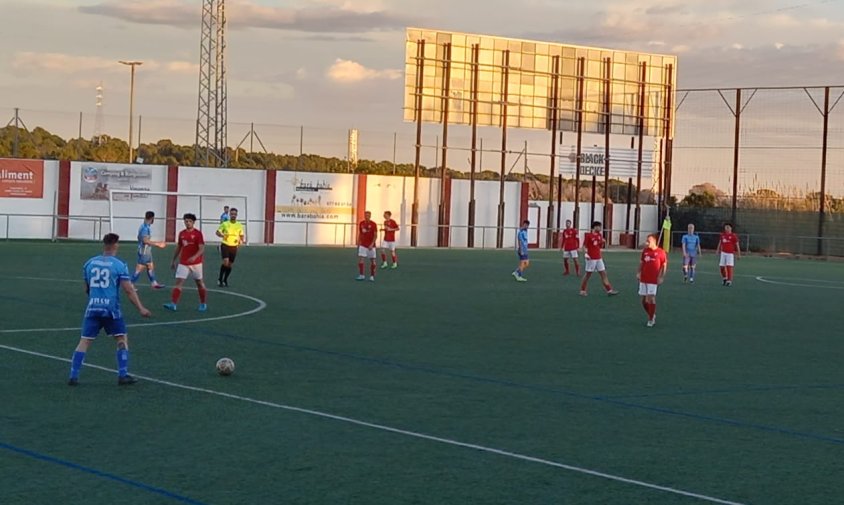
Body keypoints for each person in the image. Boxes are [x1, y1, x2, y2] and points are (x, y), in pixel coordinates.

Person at [68, 233, 152, 386]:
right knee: (121, 338)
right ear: (115, 245)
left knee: (84, 341)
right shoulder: (119, 265)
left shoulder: (89, 263)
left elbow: (87, 288)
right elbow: (128, 290)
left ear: (104, 244)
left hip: (93, 307)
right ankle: (123, 375)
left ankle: (73, 376)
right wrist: (141, 308)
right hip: (111, 309)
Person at [164, 213, 208, 312]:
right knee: (179, 282)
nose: (187, 223)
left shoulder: (198, 234)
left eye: (189, 221)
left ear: (193, 222)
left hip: (196, 263)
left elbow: (201, 249)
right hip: (183, 262)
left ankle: (203, 303)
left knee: (199, 283)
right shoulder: (182, 234)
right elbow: (179, 247)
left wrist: (194, 257)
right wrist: (173, 260)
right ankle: (173, 304)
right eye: (186, 221)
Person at [580, 221, 619, 297]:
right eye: (599, 227)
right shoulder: (589, 235)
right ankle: (582, 290)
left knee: (603, 273)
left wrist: (603, 242)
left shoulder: (599, 235)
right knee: (588, 275)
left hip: (599, 257)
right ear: (594, 227)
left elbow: (599, 246)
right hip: (591, 258)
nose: (600, 228)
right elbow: (584, 246)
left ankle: (609, 290)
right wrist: (586, 254)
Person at [638, 233, 668, 327]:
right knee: (643, 301)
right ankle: (652, 314)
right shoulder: (645, 251)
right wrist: (638, 272)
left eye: (649, 241)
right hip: (644, 278)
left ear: (654, 241)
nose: (647, 243)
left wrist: (662, 276)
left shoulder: (661, 252)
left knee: (651, 298)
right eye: (646, 241)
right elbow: (642, 262)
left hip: (653, 279)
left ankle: (651, 319)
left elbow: (664, 265)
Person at [132, 210, 166, 289]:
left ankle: (154, 283)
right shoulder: (145, 228)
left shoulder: (144, 226)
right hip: (144, 251)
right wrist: (158, 244)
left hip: (147, 251)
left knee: (150, 266)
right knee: (139, 268)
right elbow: (145, 241)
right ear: (152, 218)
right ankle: (131, 283)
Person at [216, 208, 245, 287]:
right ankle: (220, 279)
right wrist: (222, 235)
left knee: (230, 264)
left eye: (235, 214)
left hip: (234, 246)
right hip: (225, 245)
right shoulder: (225, 224)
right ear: (229, 214)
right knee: (225, 262)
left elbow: (241, 235)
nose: (233, 215)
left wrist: (241, 241)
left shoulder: (239, 225)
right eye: (232, 214)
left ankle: (225, 280)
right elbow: (217, 232)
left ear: (236, 215)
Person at [716, 222, 741, 286]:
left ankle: (729, 280)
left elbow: (737, 245)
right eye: (726, 227)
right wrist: (718, 250)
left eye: (728, 227)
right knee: (721, 267)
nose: (727, 228)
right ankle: (725, 278)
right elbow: (720, 243)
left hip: (730, 254)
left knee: (729, 267)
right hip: (723, 253)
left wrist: (739, 254)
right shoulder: (722, 235)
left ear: (731, 228)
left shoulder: (733, 236)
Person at [356, 211, 378, 281]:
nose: (367, 216)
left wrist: (372, 244)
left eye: (368, 215)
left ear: (370, 216)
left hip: (371, 245)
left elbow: (375, 235)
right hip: (363, 244)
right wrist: (358, 242)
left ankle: (372, 276)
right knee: (361, 260)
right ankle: (361, 275)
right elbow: (360, 233)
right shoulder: (361, 223)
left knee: (373, 261)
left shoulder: (373, 224)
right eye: (366, 215)